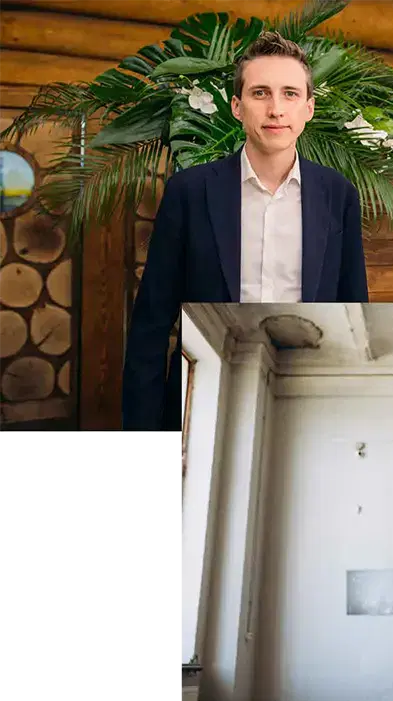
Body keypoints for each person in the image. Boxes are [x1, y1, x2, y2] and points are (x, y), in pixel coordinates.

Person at [122, 31, 368, 429]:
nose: (276, 109)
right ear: (237, 107)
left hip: (303, 398)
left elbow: (353, 302)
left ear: (309, 108)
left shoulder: (338, 196)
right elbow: (151, 323)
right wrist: (141, 437)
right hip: (196, 396)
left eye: (290, 94)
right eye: (260, 93)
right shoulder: (189, 192)